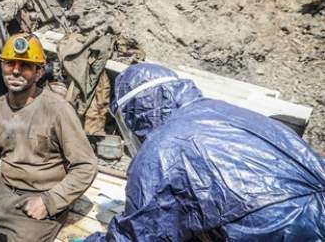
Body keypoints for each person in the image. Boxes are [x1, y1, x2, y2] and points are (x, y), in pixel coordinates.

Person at [83, 63, 325, 241]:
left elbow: (140, 234)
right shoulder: (226, 110)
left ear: (137, 111)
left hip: (273, 231)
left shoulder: (161, 150)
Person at [0, 34, 98, 242]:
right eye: (9, 63)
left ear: (39, 72)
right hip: (0, 192)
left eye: (25, 65)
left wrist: (49, 202)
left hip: (39, 199)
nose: (15, 70)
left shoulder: (57, 110)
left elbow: (86, 166)